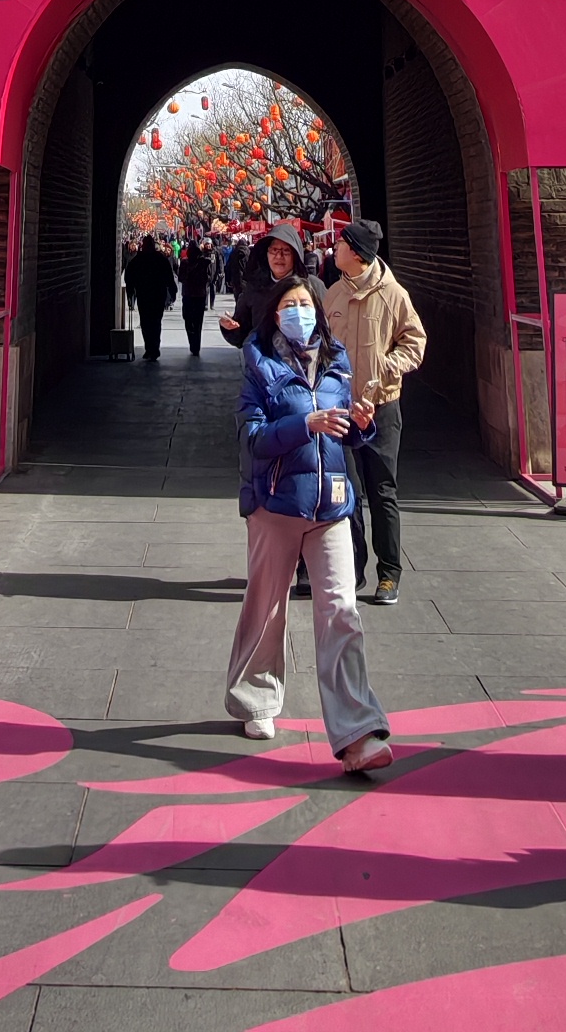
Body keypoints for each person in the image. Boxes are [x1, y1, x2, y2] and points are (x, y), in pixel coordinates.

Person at [222, 268, 393, 775]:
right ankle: (255, 699)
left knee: (341, 611)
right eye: (287, 306)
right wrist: (304, 423)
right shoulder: (259, 364)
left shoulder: (338, 362)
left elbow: (342, 436)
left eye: (305, 305)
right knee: (267, 607)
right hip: (276, 502)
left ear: (319, 313)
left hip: (331, 505)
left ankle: (357, 732)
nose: (297, 314)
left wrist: (360, 426)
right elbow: (253, 438)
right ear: (274, 315)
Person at [325, 218, 428, 603]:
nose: (335, 249)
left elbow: (415, 342)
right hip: (341, 409)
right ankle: (352, 569)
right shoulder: (333, 294)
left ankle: (390, 573)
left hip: (380, 408)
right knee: (346, 492)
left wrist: (387, 366)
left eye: (340, 244)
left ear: (355, 252)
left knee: (382, 490)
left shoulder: (393, 294)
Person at [124, 233, 178, 361]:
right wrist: (173, 290)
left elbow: (129, 277)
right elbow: (169, 277)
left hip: (145, 295)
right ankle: (153, 348)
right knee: (155, 322)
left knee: (146, 322)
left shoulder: (138, 259)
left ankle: (150, 348)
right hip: (157, 295)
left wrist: (130, 291)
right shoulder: (159, 259)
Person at [176, 230, 216, 359]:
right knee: (198, 322)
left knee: (188, 321)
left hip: (188, 295)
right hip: (200, 295)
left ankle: (192, 343)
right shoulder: (204, 262)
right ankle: (196, 345)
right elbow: (209, 277)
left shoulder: (185, 263)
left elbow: (180, 278)